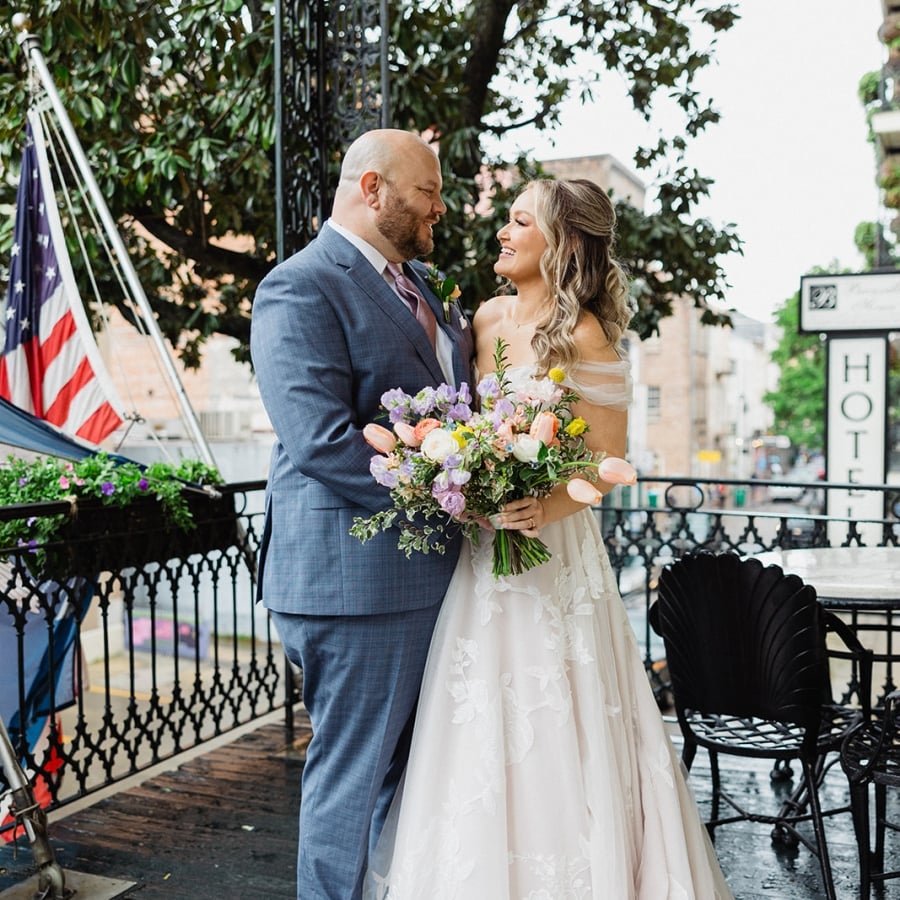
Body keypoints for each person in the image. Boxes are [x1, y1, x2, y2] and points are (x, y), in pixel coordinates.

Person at [365, 178, 733, 898]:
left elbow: (607, 464)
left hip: (555, 555)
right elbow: (468, 428)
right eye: (507, 219)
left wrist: (539, 508)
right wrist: (471, 485)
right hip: (484, 558)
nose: (503, 231)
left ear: (560, 244)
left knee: (564, 719)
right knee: (476, 722)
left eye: (520, 220)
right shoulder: (485, 318)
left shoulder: (585, 333)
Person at [249, 128, 475, 900]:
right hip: (355, 583)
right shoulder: (300, 285)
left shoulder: (423, 287)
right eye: (428, 192)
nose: (440, 207)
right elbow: (319, 439)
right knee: (352, 779)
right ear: (373, 188)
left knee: (408, 782)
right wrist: (451, 500)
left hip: (429, 578)